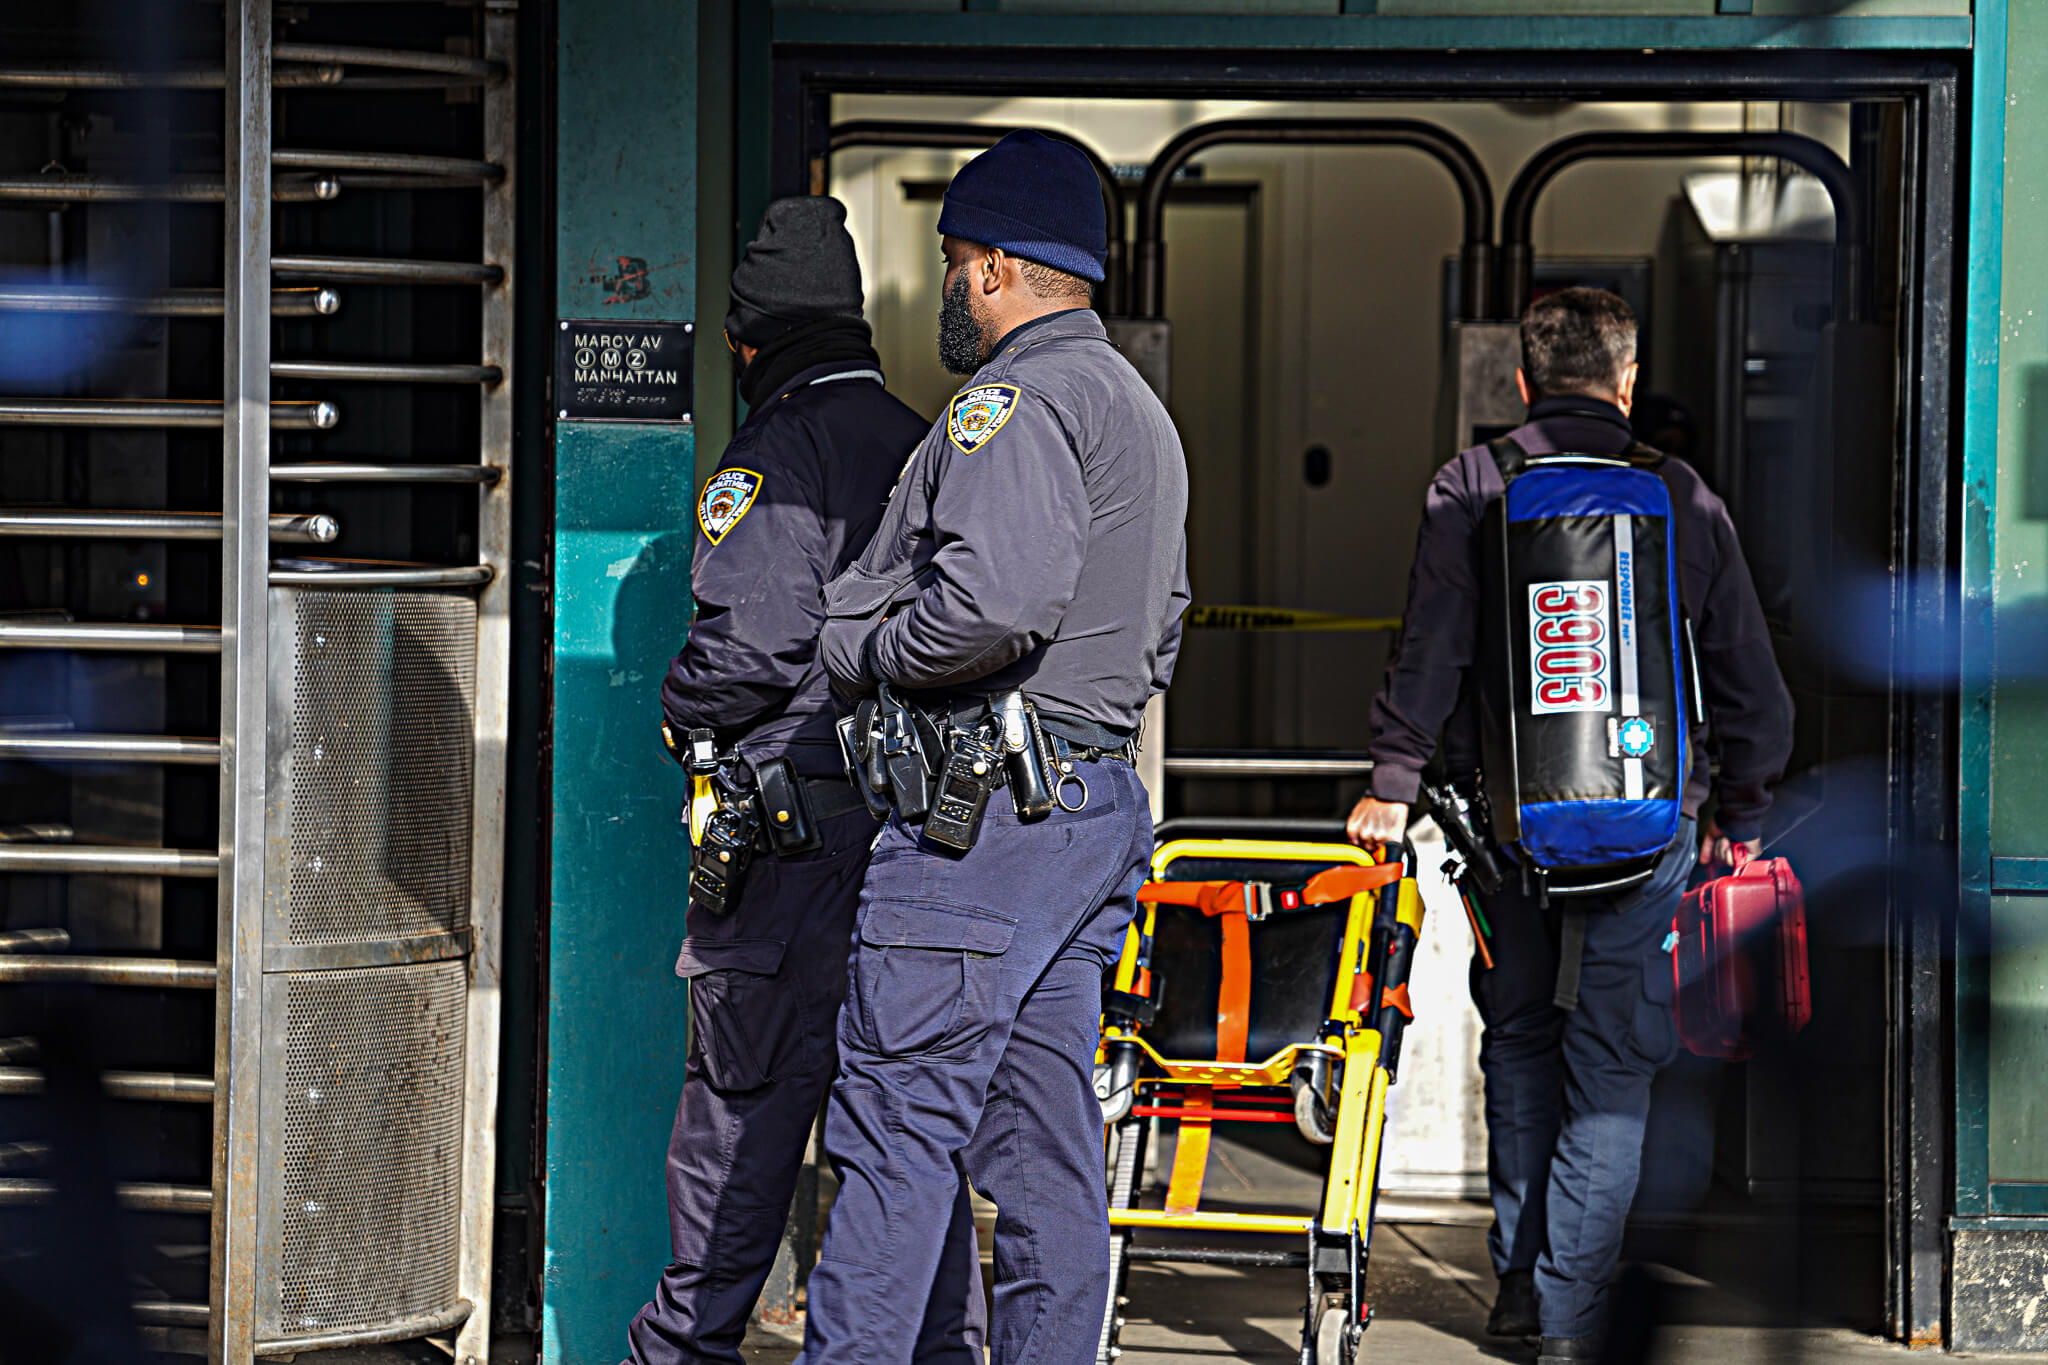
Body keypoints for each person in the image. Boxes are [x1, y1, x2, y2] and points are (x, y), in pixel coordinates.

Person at [796, 130, 1190, 1364]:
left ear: (994, 268)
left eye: (954, 259)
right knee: (1041, 1147)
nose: (948, 288)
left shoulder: (1010, 402)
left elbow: (989, 606)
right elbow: (1162, 619)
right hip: (1081, 806)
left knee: (894, 1128)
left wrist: (859, 641)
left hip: (981, 824)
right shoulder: (1134, 406)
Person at [1347, 287, 1793, 1363]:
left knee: (1517, 1038)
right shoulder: (1678, 496)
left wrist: (1392, 779)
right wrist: (1745, 807)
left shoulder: (1471, 485)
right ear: (1627, 381)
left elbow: (1431, 650)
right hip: (1647, 838)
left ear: (1519, 381)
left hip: (1502, 834)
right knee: (1611, 1068)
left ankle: (1514, 1277)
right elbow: (1750, 688)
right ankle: (1565, 1321)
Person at [623, 196, 983, 1365]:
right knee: (899, 1156)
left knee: (734, 1138)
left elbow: (754, 639)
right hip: (910, 845)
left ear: (746, 340)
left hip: (786, 859)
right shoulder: (919, 435)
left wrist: (681, 713)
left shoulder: (776, 446)